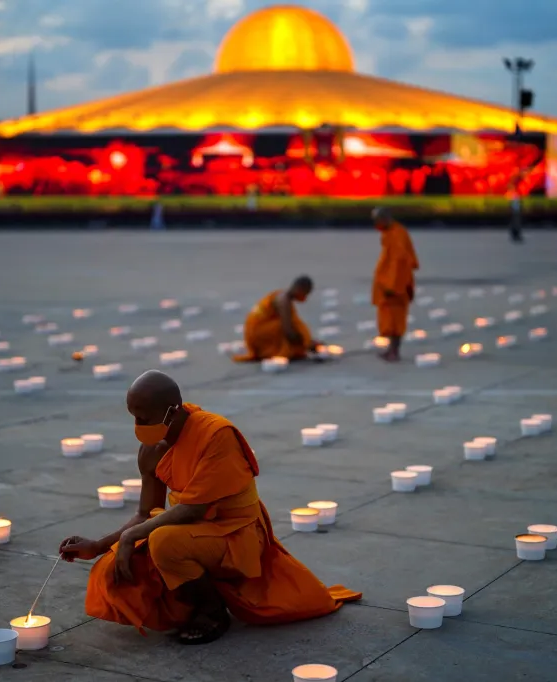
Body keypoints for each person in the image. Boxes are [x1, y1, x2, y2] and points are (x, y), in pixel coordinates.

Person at [59, 371, 361, 644]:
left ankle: (212, 612)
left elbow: (193, 509)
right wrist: (98, 546)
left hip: (236, 534)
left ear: (173, 411)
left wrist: (130, 538)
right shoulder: (151, 449)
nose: (138, 427)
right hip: (190, 531)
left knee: (162, 543)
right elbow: (144, 511)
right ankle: (190, 599)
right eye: (133, 417)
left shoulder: (216, 435)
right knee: (115, 568)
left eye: (145, 418)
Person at [233, 276, 320, 362]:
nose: (305, 298)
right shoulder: (283, 301)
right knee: (290, 327)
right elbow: (288, 331)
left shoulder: (282, 296)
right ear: (301, 289)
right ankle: (273, 351)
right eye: (306, 293)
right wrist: (306, 345)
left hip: (253, 332)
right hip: (258, 334)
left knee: (293, 325)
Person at [371, 207, 419, 362]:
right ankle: (391, 349)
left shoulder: (398, 234)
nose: (375, 225)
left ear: (384, 219)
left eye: (376, 221)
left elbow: (400, 263)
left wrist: (392, 286)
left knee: (396, 319)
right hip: (388, 284)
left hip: (395, 286)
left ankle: (394, 352)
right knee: (389, 318)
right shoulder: (390, 233)